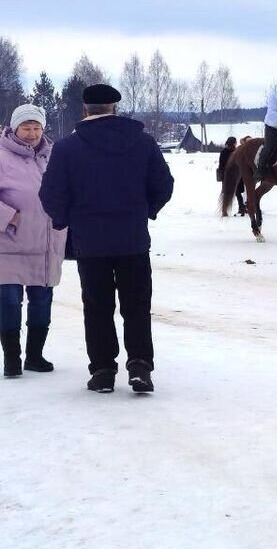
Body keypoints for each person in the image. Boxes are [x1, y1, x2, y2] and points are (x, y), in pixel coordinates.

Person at [39, 84, 174, 394]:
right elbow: (163, 185)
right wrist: (144, 211)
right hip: (133, 239)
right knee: (137, 305)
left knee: (97, 306)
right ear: (115, 107)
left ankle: (102, 370)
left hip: (90, 242)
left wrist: (67, 221)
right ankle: (140, 366)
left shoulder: (66, 148)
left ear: (85, 110)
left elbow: (51, 194)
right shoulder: (143, 143)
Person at [1, 105, 68, 378]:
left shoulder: (53, 156)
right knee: (8, 301)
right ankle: (12, 359)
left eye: (37, 127)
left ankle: (35, 356)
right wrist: (8, 217)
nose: (32, 133)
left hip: (46, 244)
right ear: (14, 128)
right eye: (26, 127)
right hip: (8, 243)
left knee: (42, 301)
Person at [216, 136, 246, 215]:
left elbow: (221, 165)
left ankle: (225, 210)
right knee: (236, 193)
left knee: (229, 193)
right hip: (233, 176)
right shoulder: (235, 152)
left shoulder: (225, 152)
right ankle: (240, 208)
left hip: (230, 176)